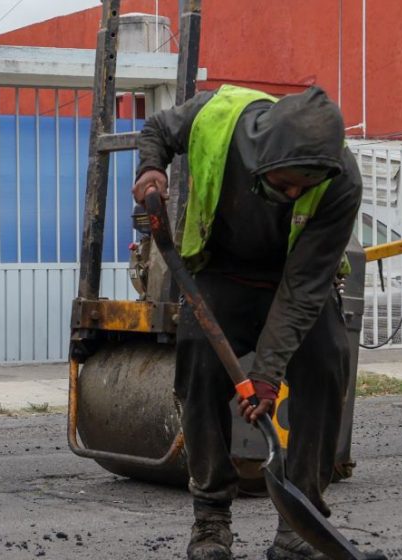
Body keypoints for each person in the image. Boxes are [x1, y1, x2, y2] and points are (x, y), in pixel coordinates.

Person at [133, 85, 360, 560]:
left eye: (306, 186)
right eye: (286, 183)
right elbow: (156, 128)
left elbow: (302, 290)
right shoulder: (217, 118)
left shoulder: (341, 179)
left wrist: (266, 376)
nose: (295, 193)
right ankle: (211, 519)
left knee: (326, 362)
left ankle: (302, 523)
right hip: (224, 270)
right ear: (265, 152)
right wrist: (152, 168)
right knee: (198, 365)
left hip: (292, 279)